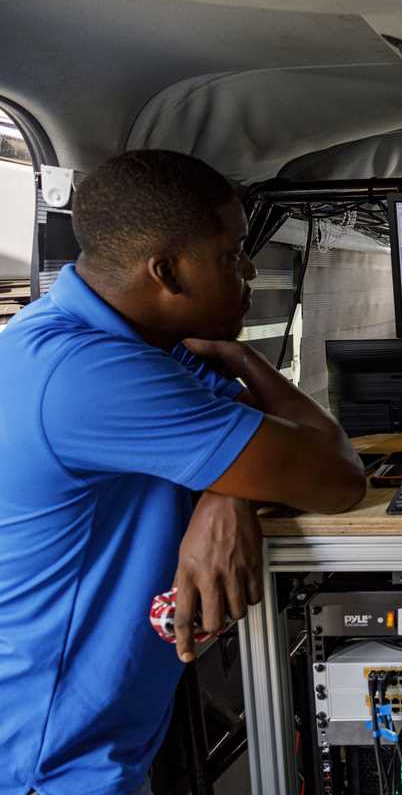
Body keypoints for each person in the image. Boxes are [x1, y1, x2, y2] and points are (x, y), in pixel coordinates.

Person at [0, 150, 366, 795]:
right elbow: (337, 476)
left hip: (84, 741)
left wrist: (229, 491)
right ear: (167, 271)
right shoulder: (92, 373)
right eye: (230, 255)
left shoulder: (130, 346)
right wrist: (244, 360)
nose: (248, 271)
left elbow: (253, 443)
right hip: (45, 760)